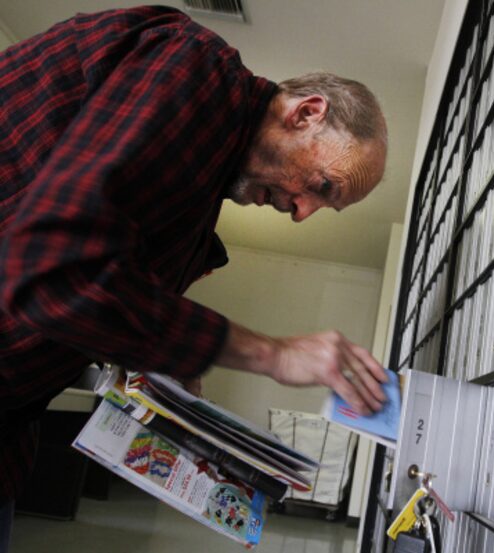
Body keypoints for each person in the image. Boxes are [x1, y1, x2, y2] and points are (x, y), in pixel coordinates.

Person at [0, 6, 390, 549]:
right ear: (306, 113)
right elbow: (53, 269)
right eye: (322, 186)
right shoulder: (191, 68)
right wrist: (273, 354)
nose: (302, 213)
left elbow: (94, 284)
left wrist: (157, 357)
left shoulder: (199, 198)